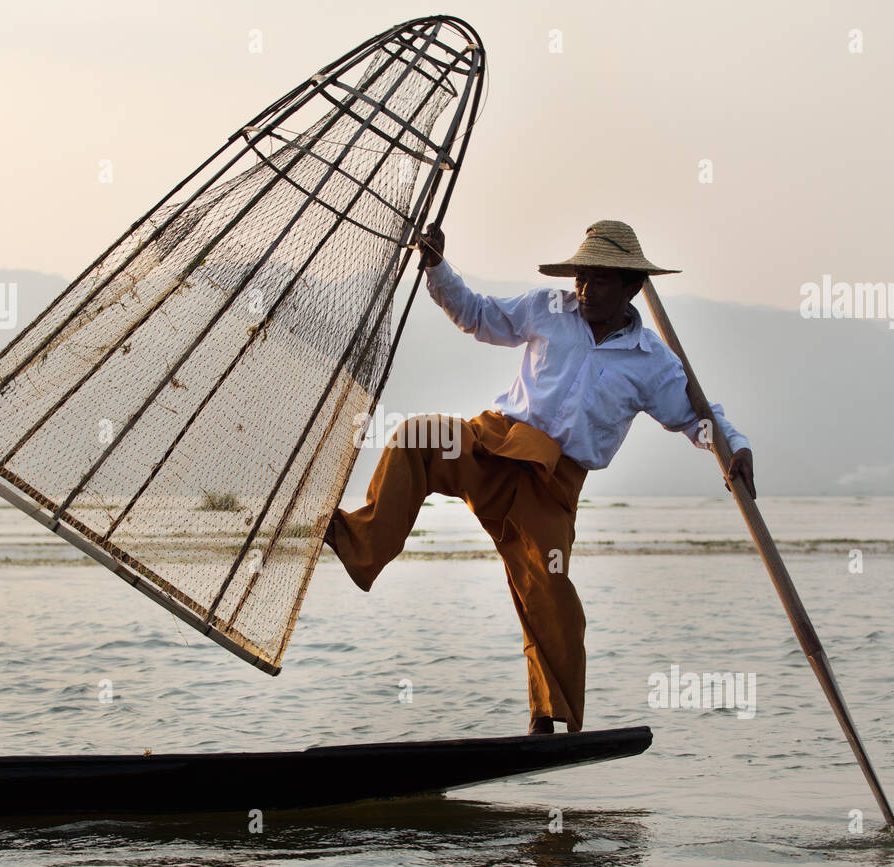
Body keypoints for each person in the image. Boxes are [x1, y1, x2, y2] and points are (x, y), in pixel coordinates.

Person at [323, 220, 755, 734]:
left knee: (550, 597)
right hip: (494, 445)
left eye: (599, 281)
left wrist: (734, 448)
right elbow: (480, 316)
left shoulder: (652, 363)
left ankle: (551, 717)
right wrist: (438, 266)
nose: (585, 290)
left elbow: (694, 416)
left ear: (631, 289)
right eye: (582, 277)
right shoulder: (549, 308)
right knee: (415, 438)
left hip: (552, 485)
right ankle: (361, 541)